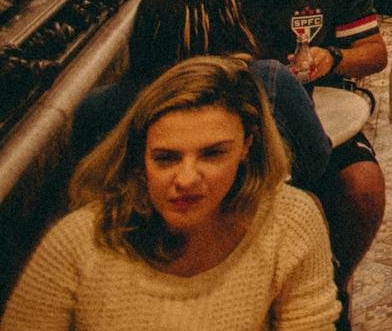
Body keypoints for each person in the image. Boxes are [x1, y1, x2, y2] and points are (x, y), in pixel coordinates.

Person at [4, 56, 339, 331]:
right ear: (140, 158)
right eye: (166, 158)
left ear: (246, 145)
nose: (187, 179)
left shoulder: (290, 222)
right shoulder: (79, 242)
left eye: (212, 154)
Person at [218, 0, 387, 284]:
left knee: (363, 187)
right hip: (242, 125)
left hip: (320, 114)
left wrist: (334, 58)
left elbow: (375, 53)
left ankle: (336, 284)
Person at [70, 0, 330, 197]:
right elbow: (316, 158)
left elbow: (88, 185)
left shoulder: (97, 106)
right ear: (233, 25)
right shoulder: (267, 80)